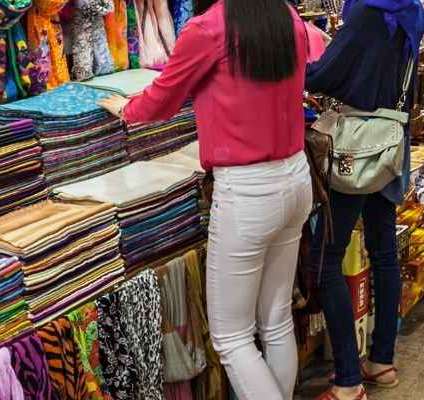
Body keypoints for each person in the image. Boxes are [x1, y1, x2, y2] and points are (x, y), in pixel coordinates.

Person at [97, 1, 310, 399]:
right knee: (277, 320)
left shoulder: (209, 28)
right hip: (296, 177)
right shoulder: (287, 16)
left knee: (232, 338)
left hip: (247, 192)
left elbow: (162, 98)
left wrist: (126, 108)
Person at [304, 0, 424, 399]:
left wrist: (300, 60)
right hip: (391, 143)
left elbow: (324, 75)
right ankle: (381, 361)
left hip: (356, 148)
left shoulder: (368, 13)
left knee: (326, 260)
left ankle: (347, 381)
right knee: (384, 250)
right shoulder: (410, 9)